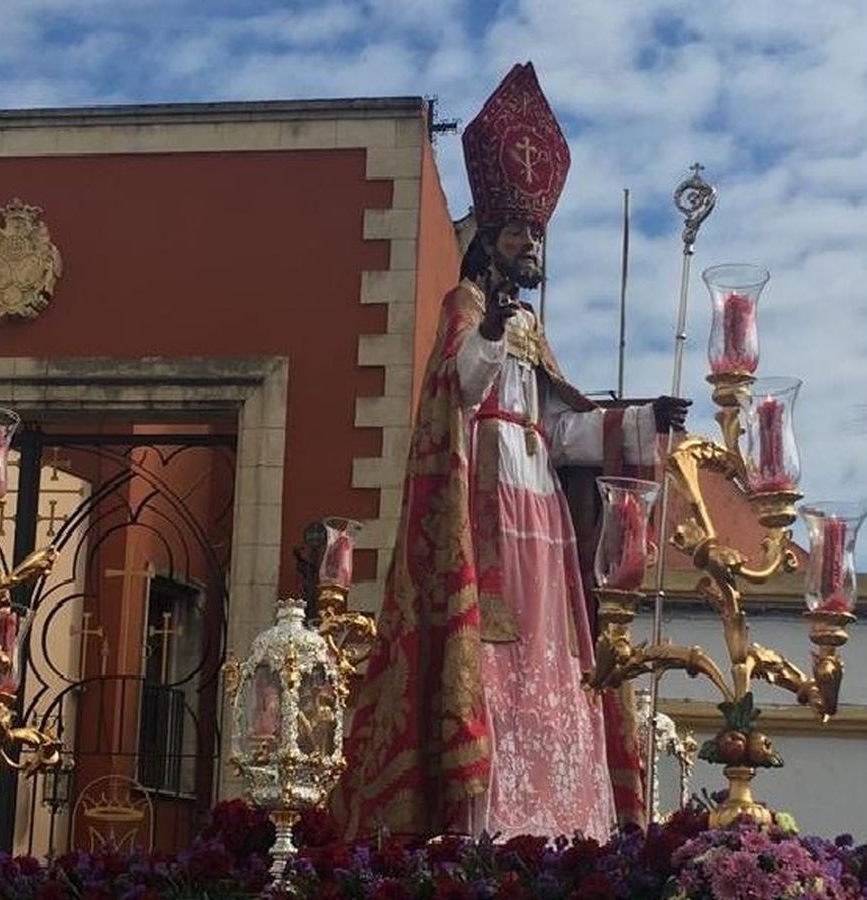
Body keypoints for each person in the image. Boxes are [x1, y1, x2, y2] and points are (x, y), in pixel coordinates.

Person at [339, 62, 689, 840]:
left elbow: (561, 431)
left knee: (556, 665)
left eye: (536, 231)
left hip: (546, 529)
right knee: (494, 664)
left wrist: (639, 422)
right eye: (518, 231)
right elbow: (457, 392)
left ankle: (565, 816)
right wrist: (491, 331)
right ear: (489, 241)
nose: (531, 242)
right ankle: (486, 818)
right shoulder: (465, 307)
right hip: (487, 510)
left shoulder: (531, 328)